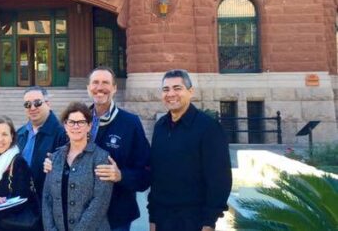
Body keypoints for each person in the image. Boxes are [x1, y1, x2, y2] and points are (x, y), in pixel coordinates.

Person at [44, 66, 150, 231]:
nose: (100, 87)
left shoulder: (130, 124)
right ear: (88, 88)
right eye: (95, 82)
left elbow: (146, 174)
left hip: (116, 217)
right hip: (75, 217)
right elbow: (62, 156)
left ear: (114, 88)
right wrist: (51, 164)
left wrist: (121, 175)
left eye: (105, 83)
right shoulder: (76, 122)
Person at [148, 69, 232, 231]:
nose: (171, 94)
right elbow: (157, 176)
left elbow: (220, 180)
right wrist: (153, 218)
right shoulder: (160, 127)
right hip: (163, 219)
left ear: (190, 91)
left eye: (177, 88)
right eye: (166, 89)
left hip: (194, 220)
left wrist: (209, 222)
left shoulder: (209, 128)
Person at [42, 102, 113, 231]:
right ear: (65, 125)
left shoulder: (100, 158)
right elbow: (47, 198)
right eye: (71, 122)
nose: (76, 126)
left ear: (89, 126)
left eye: (81, 122)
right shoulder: (54, 158)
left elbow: (100, 203)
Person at [16, 86, 67, 196]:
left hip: (46, 202)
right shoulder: (19, 134)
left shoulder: (62, 134)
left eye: (37, 103)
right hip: (20, 200)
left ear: (48, 104)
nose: (32, 108)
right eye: (27, 104)